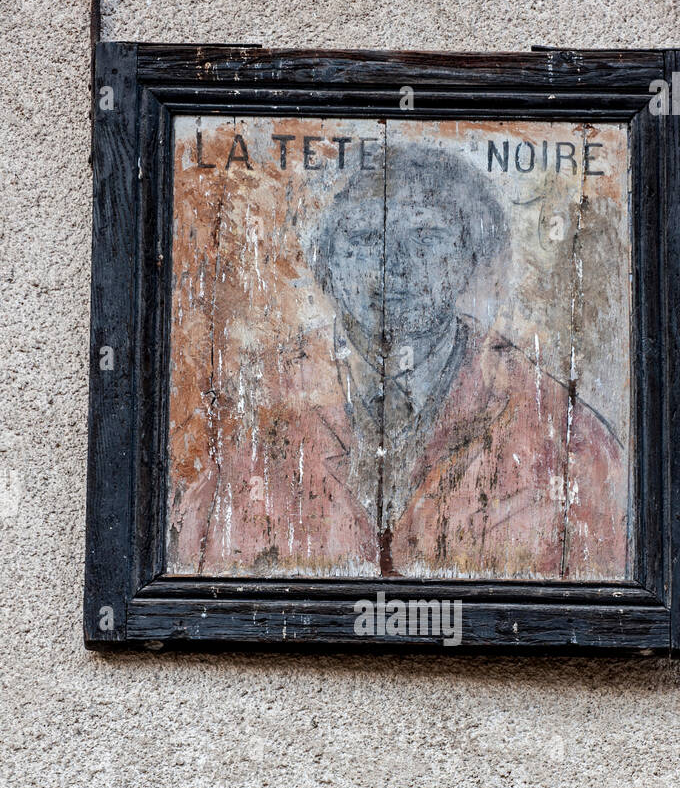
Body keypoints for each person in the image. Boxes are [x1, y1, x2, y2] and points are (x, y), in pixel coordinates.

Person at [169, 143, 627, 581]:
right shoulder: (243, 416)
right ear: (327, 261)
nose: (394, 262)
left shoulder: (560, 432)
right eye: (366, 236)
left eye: (427, 236)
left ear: (470, 254)